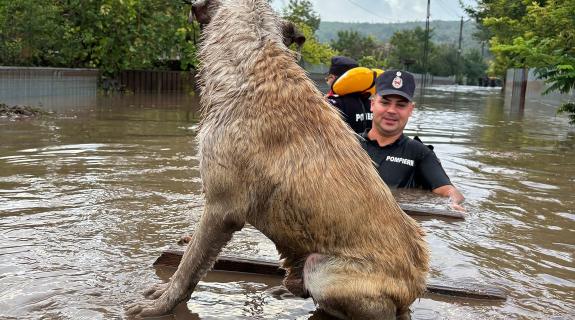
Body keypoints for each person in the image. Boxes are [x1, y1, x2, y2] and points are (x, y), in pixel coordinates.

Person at [359, 70, 465, 211]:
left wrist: (453, 204)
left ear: (411, 109)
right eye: (385, 103)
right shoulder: (347, 143)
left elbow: (449, 191)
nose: (391, 110)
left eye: (401, 105)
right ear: (372, 104)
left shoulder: (419, 153)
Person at [325, 56, 372, 133]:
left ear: (333, 78)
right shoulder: (371, 103)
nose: (327, 81)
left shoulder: (333, 103)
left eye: (329, 78)